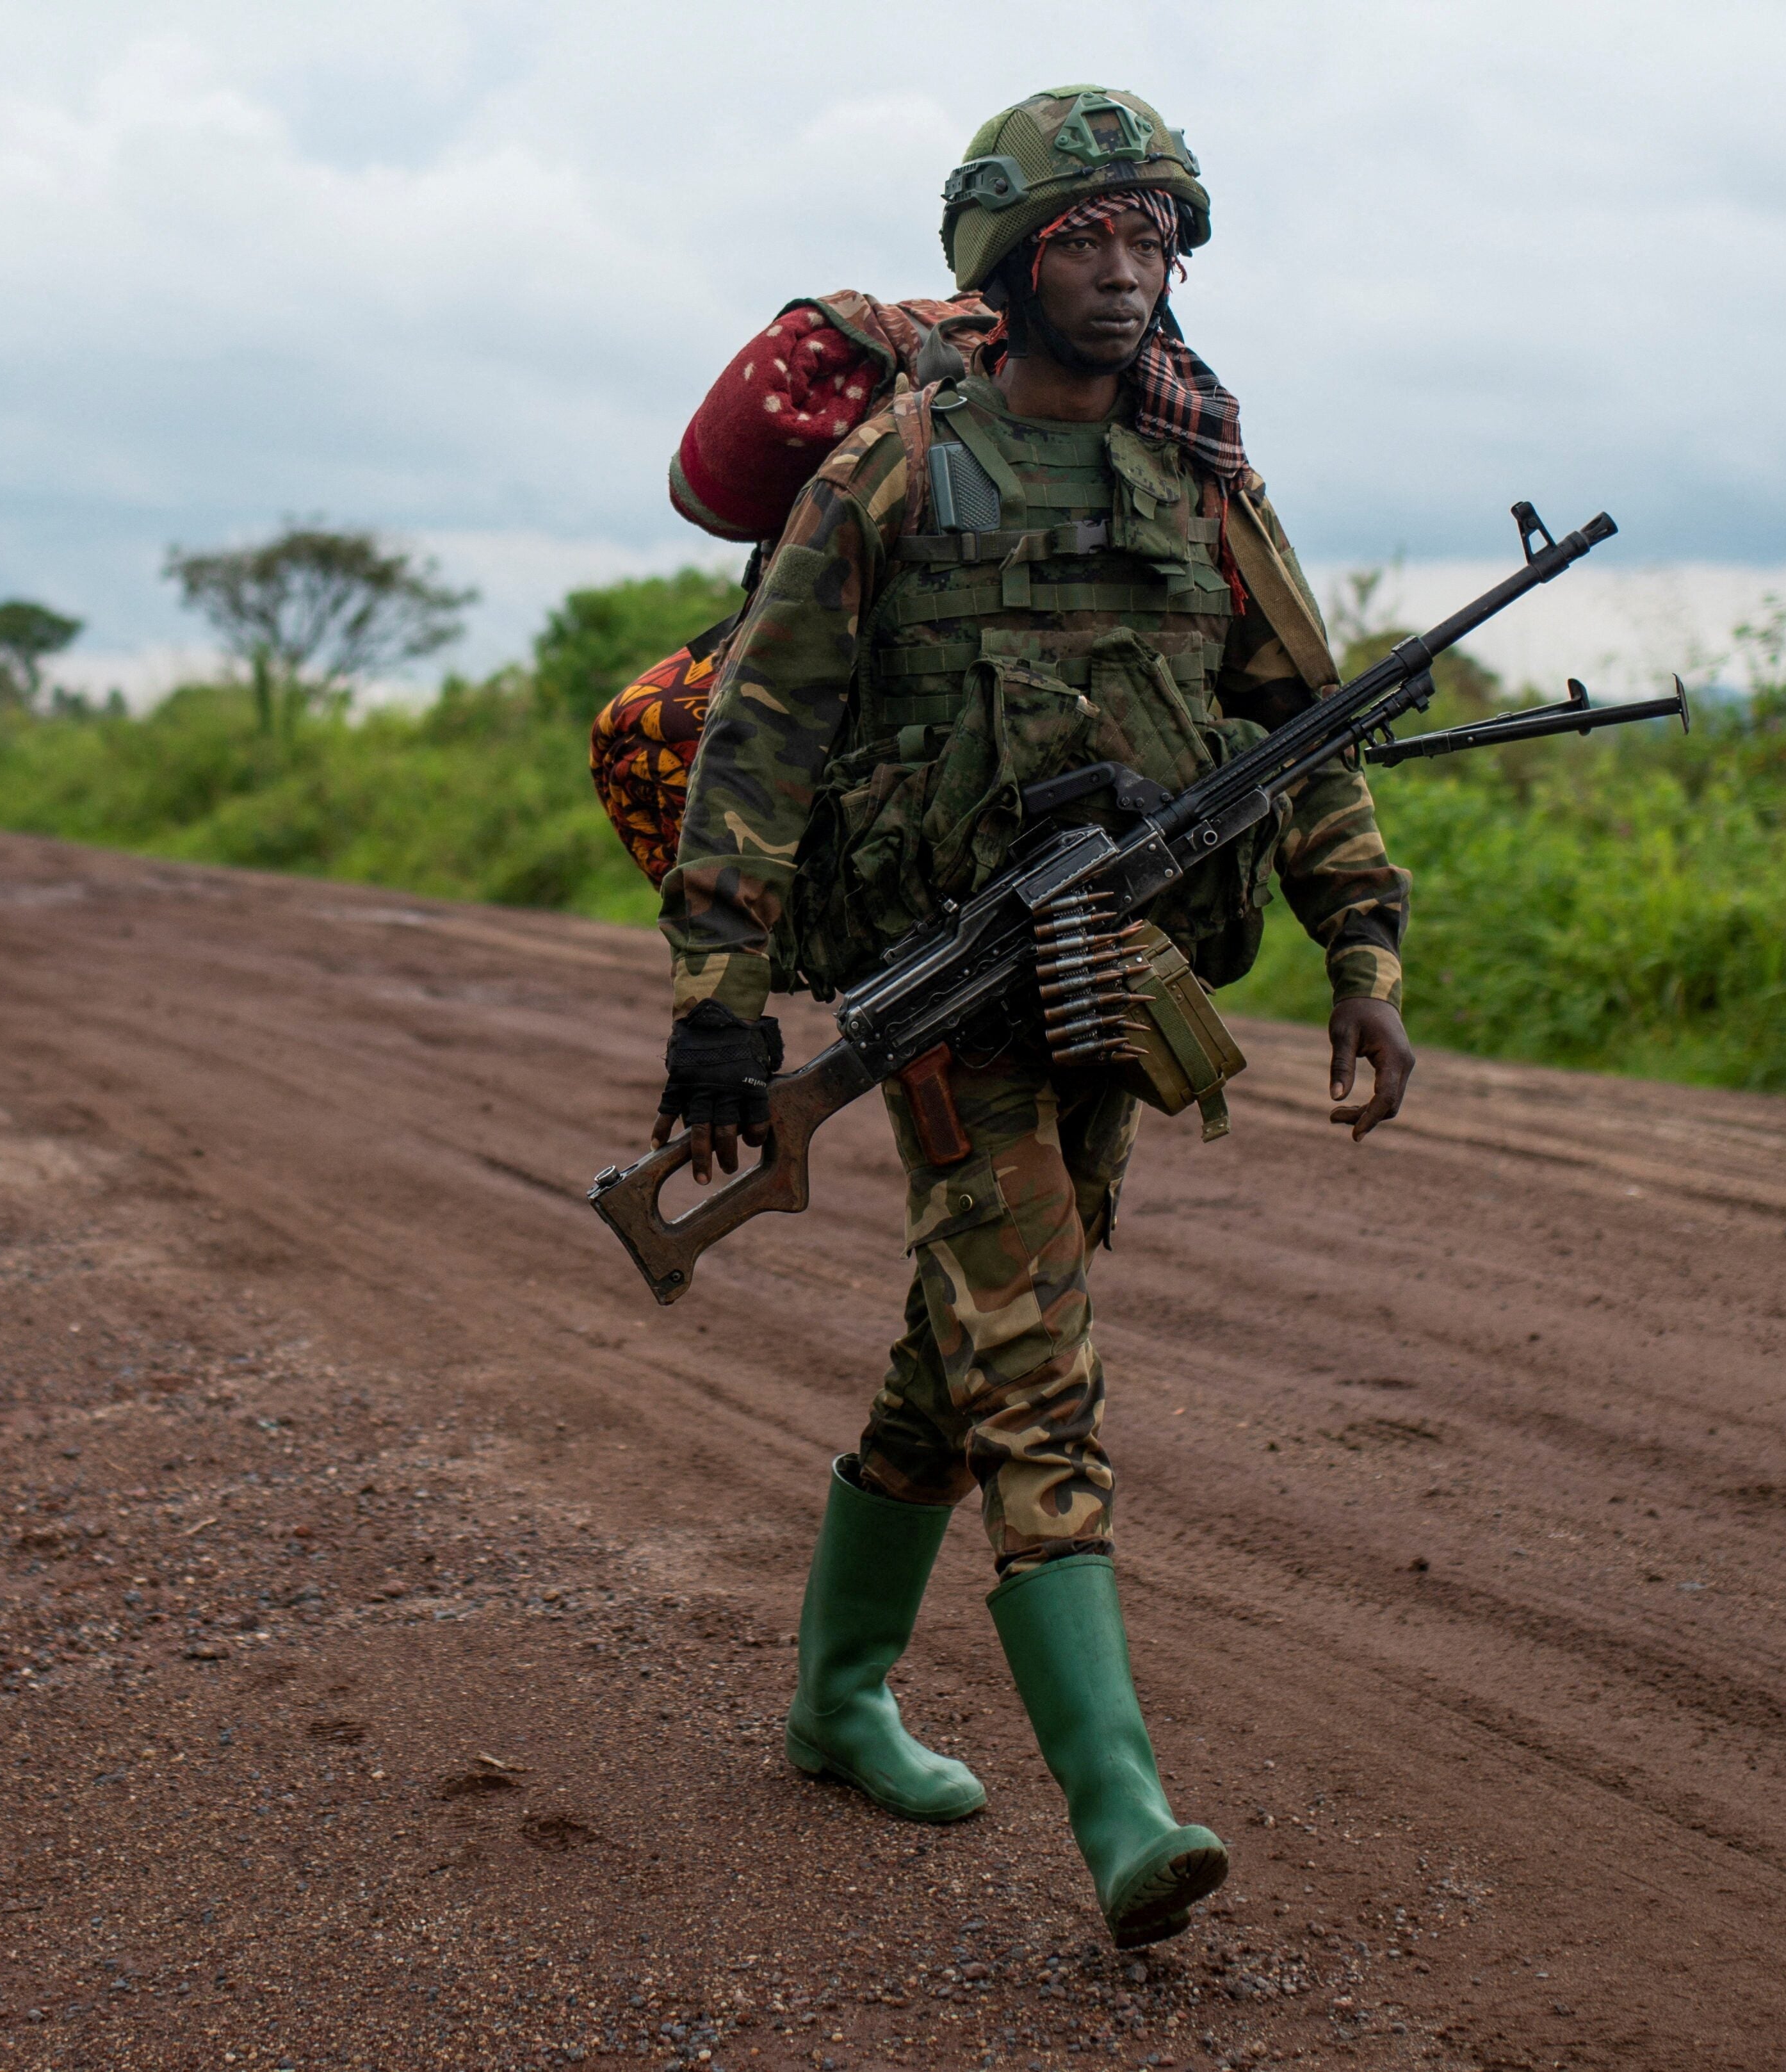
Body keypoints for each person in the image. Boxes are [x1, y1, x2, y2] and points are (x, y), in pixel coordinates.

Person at [653, 86, 1415, 1952]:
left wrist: (1362, 950)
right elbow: (756, 745)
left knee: (962, 1341)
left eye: (1154, 229)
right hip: (944, 993)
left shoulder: (1194, 482)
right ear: (1006, 255)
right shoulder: (898, 472)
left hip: (1116, 984)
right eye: (1087, 231)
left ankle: (835, 1700)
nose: (1126, 261)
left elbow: (1295, 737)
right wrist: (719, 1015)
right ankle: (1123, 1810)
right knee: (1032, 1370)